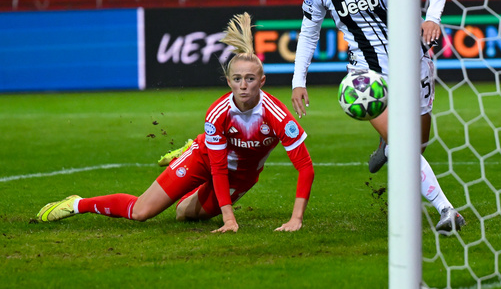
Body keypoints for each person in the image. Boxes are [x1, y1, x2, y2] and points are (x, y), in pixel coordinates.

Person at [37, 12, 315, 233]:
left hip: (241, 175)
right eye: (238, 79)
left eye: (251, 79)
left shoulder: (277, 116)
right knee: (141, 212)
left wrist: (296, 219)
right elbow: (217, 168)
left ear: (262, 82)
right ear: (229, 81)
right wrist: (229, 219)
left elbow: (305, 168)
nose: (244, 86)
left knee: (184, 214)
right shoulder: (218, 112)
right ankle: (77, 204)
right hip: (207, 158)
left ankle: (190, 154)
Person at [291, 0, 465, 233]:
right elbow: (308, 33)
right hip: (366, 74)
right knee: (404, 144)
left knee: (417, 143)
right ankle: (447, 210)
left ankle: (389, 150)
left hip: (414, 62)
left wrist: (432, 18)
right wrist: (298, 81)